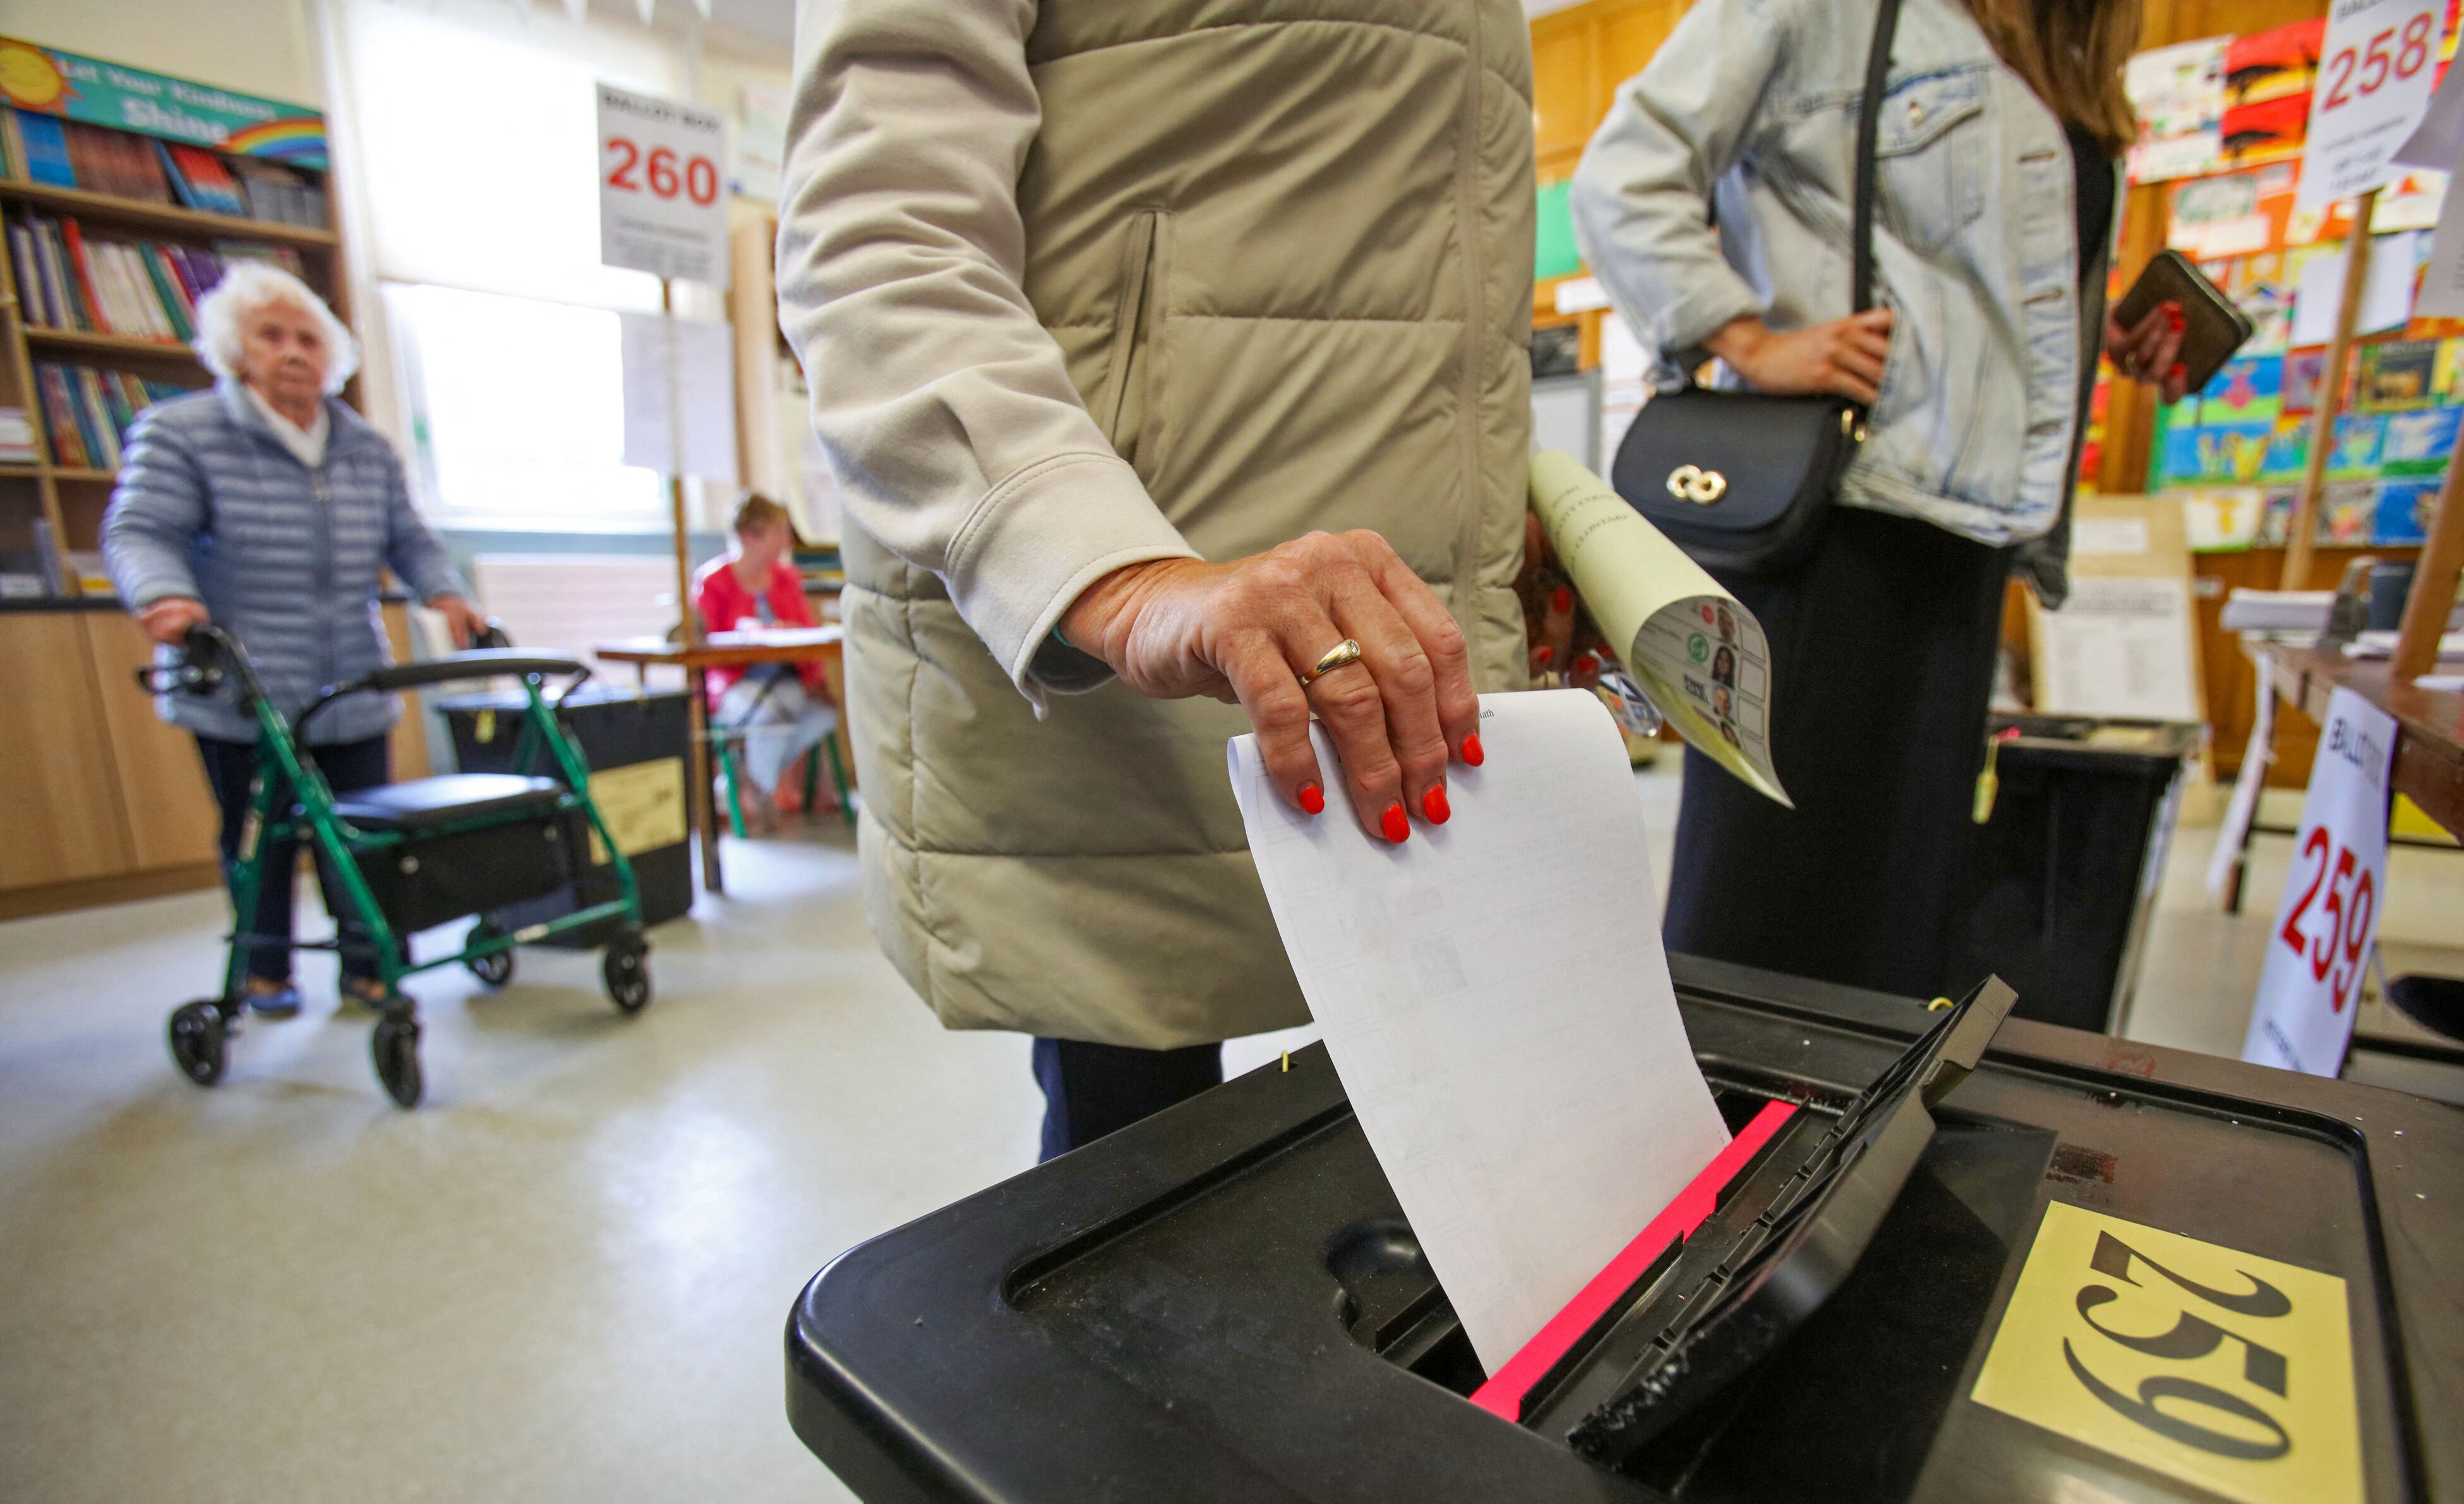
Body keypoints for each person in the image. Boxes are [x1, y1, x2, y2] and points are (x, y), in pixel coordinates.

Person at [779, 0, 1531, 1158]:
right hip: (1119, 643)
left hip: (1386, 644)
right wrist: (1115, 574)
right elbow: (882, 239)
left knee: (1417, 1187)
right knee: (1137, 1210)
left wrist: (1493, 543)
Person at [1572, 0, 2182, 1001]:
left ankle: (1845, 1141)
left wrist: (2101, 335)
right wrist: (1748, 338)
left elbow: (1958, 274)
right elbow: (1623, 176)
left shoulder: (2048, 49)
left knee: (1895, 907)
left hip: (1966, 532)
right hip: (1833, 519)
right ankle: (1733, 1147)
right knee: (1765, 908)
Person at [102, 262, 488, 1016]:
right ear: (235, 350)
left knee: (365, 828)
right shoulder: (183, 434)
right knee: (261, 835)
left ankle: (369, 962)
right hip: (241, 683)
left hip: (348, 677)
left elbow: (409, 538)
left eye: (308, 338)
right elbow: (142, 531)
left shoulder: (364, 447)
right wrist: (166, 597)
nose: (292, 352)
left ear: (331, 353)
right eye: (270, 336)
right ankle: (265, 967)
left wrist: (445, 591)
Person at [694, 493, 839, 829]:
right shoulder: (713, 582)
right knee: (771, 715)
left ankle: (754, 776)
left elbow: (808, 634)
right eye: (778, 532)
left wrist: (814, 676)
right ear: (750, 536)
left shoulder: (787, 579)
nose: (786, 541)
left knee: (823, 714)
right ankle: (763, 785)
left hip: (788, 682)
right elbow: (706, 646)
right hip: (736, 685)